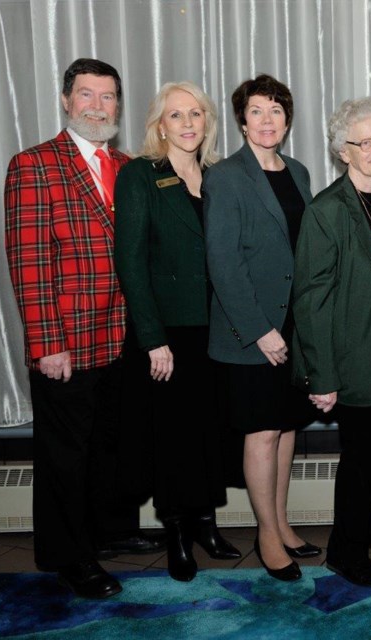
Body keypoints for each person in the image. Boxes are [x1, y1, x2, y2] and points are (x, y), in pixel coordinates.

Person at [4, 58, 163, 599]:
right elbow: (29, 261)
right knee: (65, 455)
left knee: (109, 448)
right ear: (67, 101)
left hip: (124, 337)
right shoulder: (34, 164)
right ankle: (70, 557)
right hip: (67, 341)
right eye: (87, 95)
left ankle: (106, 532)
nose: (99, 106)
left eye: (109, 96)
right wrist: (47, 344)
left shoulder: (131, 165)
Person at [114, 81, 241, 582]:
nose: (188, 123)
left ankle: (208, 523)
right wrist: (152, 338)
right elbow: (131, 262)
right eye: (176, 115)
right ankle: (178, 538)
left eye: (196, 114)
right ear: (159, 125)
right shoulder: (141, 175)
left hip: (218, 329)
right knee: (174, 440)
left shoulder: (217, 177)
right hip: (169, 334)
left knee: (212, 433)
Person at [203, 74, 320, 582]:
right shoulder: (226, 176)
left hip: (294, 328)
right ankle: (267, 536)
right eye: (257, 111)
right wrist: (260, 329)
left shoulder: (298, 171)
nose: (267, 120)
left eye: (276, 110)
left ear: (287, 119)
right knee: (263, 433)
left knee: (287, 427)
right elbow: (222, 262)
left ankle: (284, 523)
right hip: (252, 333)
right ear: (241, 120)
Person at [291, 98, 371, 588]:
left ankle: (365, 523)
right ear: (344, 151)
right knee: (359, 454)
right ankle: (345, 551)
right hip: (345, 357)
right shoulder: (325, 211)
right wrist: (323, 376)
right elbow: (310, 301)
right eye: (367, 142)